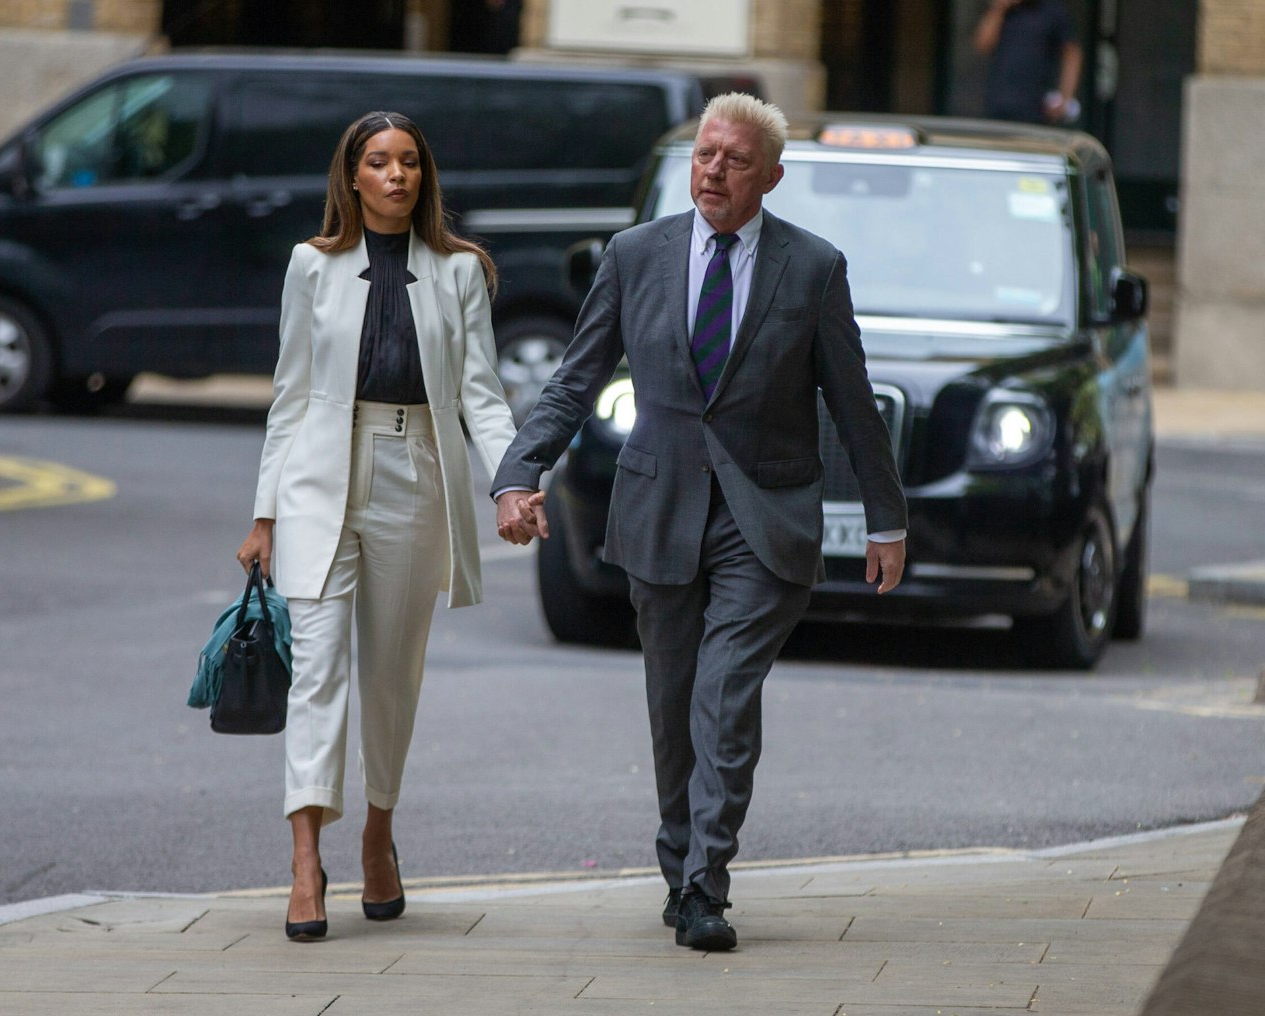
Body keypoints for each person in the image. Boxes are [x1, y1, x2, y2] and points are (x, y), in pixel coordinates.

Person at [493, 93, 907, 952]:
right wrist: (519, 472)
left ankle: (707, 884)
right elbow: (574, 378)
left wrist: (885, 519)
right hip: (660, 508)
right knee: (673, 701)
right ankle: (678, 867)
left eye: (736, 161)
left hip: (767, 514)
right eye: (705, 155)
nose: (714, 171)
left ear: (773, 178)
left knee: (724, 696)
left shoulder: (814, 267)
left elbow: (853, 402)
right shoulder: (636, 255)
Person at [236, 110, 539, 943]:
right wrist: (264, 514)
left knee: (391, 677)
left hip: (415, 469)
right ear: (353, 176)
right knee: (317, 671)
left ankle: (377, 830)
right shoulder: (310, 265)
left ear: (423, 176)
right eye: (379, 162)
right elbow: (290, 394)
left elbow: (481, 393)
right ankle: (305, 861)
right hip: (315, 476)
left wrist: (511, 485)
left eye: (409, 161)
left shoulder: (462, 271)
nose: (396, 175)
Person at [974, 0, 1083, 125]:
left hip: (1036, 105)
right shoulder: (1004, 11)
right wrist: (998, 9)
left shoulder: (1053, 11)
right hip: (998, 102)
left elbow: (1071, 53)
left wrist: (1065, 98)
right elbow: (983, 45)